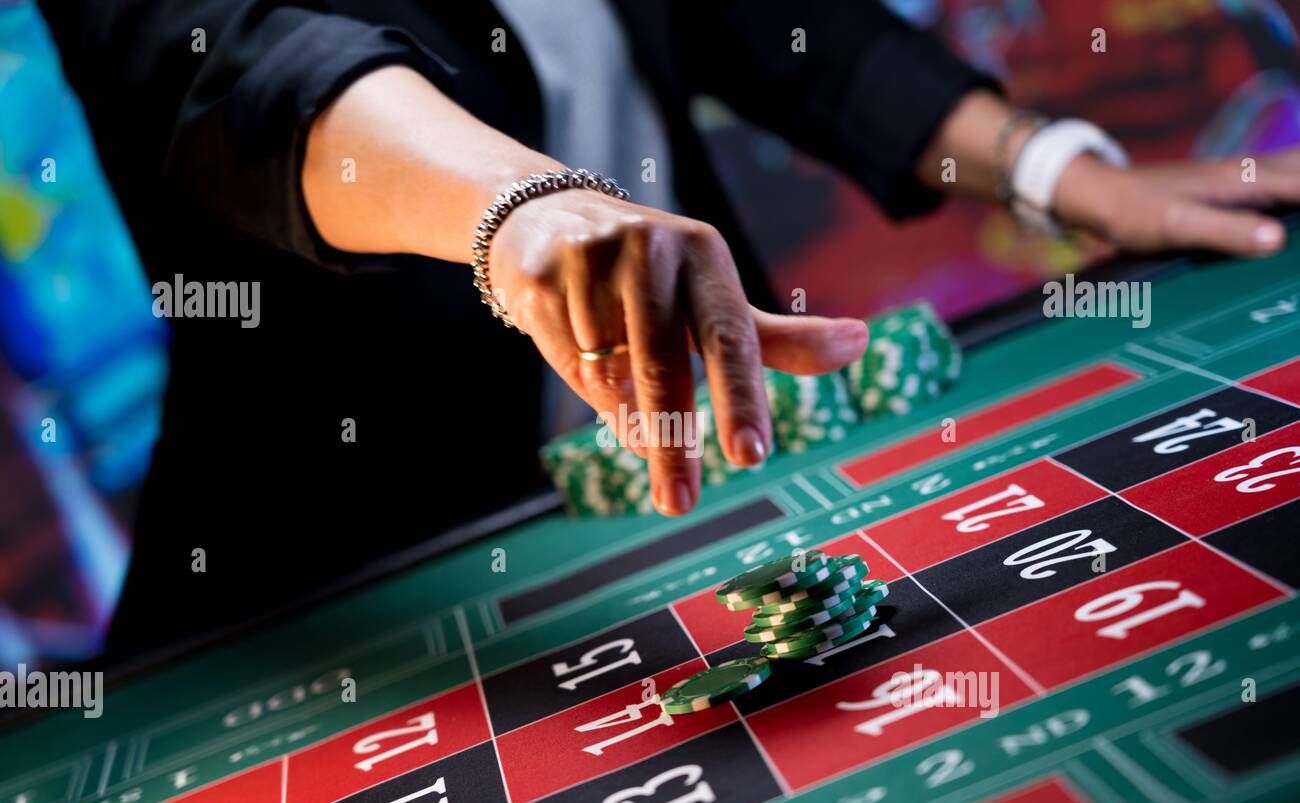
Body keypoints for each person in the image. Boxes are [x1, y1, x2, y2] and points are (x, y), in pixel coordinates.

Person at [36, 0, 1300, 653]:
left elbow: (787, 32)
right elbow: (244, 69)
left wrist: (1060, 169)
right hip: (365, 572)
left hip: (710, 457)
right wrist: (522, 211)